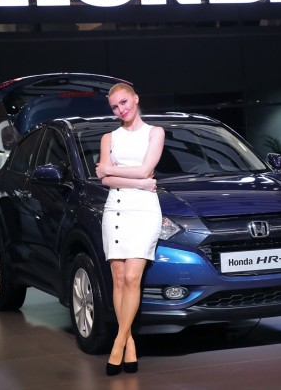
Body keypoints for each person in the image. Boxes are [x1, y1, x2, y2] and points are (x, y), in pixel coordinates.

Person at [95, 83, 165, 375]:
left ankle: (117, 344)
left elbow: (144, 169)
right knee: (119, 278)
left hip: (145, 211)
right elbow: (105, 181)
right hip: (116, 208)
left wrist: (110, 169)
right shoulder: (108, 138)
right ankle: (130, 345)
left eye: (124, 102)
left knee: (134, 277)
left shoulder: (155, 133)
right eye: (115, 106)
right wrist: (139, 182)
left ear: (135, 99)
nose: (120, 109)